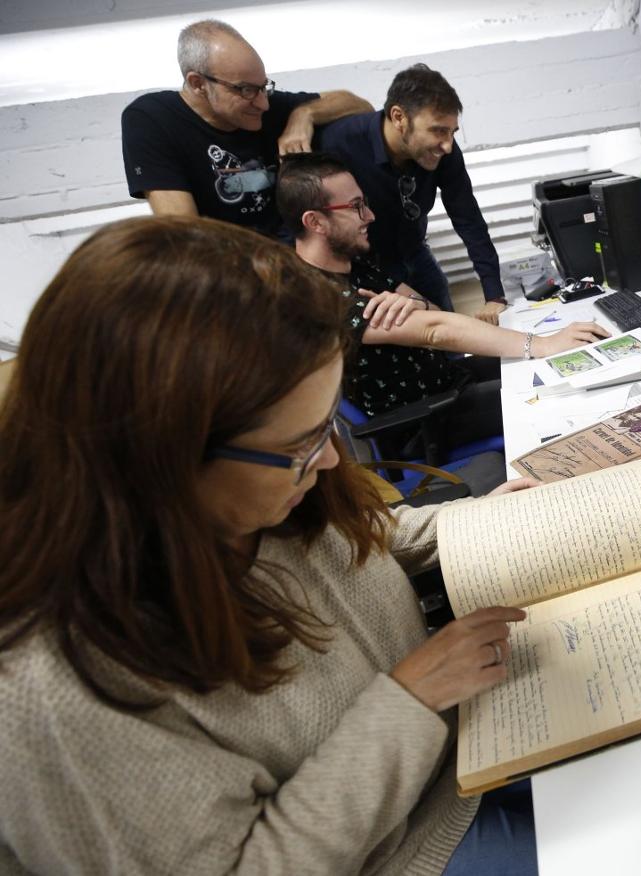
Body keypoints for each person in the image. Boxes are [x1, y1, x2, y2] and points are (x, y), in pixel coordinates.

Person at [0, 215, 539, 874]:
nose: (332, 465)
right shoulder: (52, 689)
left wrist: (492, 519)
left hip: (458, 745)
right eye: (299, 446)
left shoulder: (261, 497)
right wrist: (411, 700)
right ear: (159, 457)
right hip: (404, 848)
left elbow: (369, 539)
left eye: (325, 429)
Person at [276, 152, 606, 458]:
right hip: (424, 421)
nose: (370, 215)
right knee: (561, 395)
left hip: (449, 383)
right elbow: (436, 331)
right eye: (356, 206)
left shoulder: (353, 265)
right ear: (315, 222)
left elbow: (432, 311)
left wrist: (413, 306)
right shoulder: (315, 296)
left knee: (561, 364)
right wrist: (543, 343)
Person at [121, 19, 372, 237]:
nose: (262, 103)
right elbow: (184, 232)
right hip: (229, 267)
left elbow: (359, 105)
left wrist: (304, 114)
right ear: (198, 84)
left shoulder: (263, 104)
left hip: (298, 254)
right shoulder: (152, 118)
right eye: (246, 90)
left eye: (264, 87)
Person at [318, 64, 505, 321]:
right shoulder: (338, 143)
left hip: (416, 252)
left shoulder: (443, 150)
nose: (448, 145)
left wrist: (494, 294)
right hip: (365, 268)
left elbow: (467, 217)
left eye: (452, 132)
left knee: (448, 337)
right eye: (438, 130)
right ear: (398, 117)